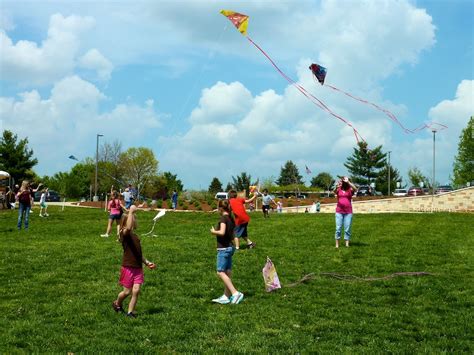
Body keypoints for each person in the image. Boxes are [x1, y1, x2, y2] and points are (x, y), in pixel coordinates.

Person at [112, 205, 156, 318]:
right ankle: (117, 303)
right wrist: (130, 212)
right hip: (128, 267)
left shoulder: (135, 237)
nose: (135, 220)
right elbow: (128, 228)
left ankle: (130, 312)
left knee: (136, 291)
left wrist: (147, 262)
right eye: (132, 219)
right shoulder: (123, 234)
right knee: (126, 292)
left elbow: (138, 253)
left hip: (138, 268)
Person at [210, 199, 244, 305]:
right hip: (230, 247)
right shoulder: (231, 218)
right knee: (227, 272)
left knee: (220, 272)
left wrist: (213, 231)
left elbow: (222, 232)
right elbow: (232, 234)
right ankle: (226, 296)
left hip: (223, 249)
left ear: (220, 208)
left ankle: (235, 293)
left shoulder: (223, 218)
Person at [334, 176, 357, 248]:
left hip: (348, 212)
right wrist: (337, 186)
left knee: (347, 228)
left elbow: (355, 189)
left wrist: (348, 182)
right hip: (339, 211)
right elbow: (334, 191)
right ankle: (337, 244)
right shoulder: (339, 189)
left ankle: (347, 243)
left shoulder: (350, 190)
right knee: (338, 228)